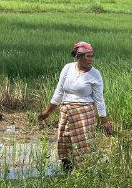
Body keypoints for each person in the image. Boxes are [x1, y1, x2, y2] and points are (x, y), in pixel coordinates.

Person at [38, 41, 112, 171]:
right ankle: (67, 173)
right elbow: (59, 91)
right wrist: (47, 112)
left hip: (84, 113)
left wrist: (104, 121)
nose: (90, 59)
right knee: (64, 143)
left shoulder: (95, 75)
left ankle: (86, 173)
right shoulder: (68, 68)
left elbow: (99, 100)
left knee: (84, 145)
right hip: (66, 111)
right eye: (87, 56)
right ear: (78, 56)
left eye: (92, 56)